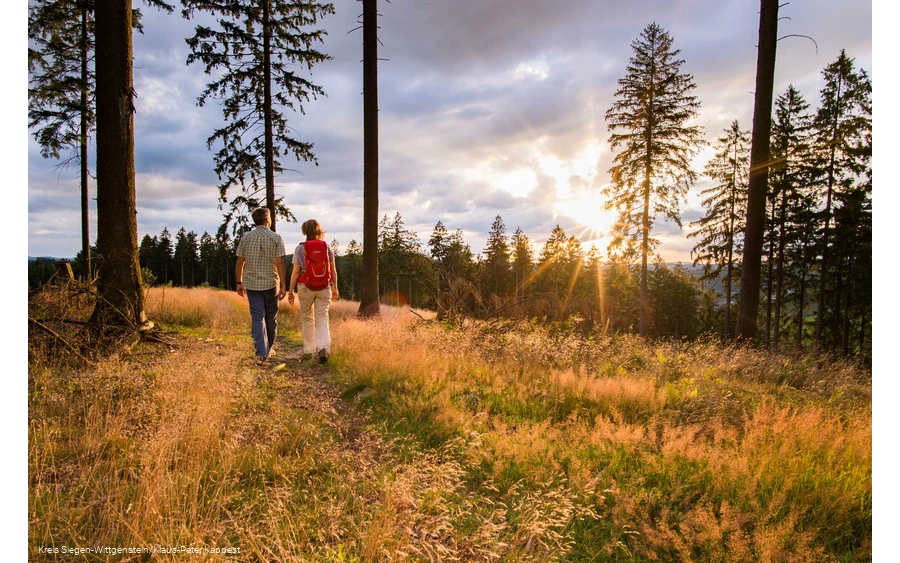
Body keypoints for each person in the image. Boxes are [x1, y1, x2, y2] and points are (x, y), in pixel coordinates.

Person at [235, 207, 287, 362]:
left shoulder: (246, 237)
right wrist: (284, 285)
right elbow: (280, 263)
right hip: (271, 283)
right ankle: (268, 349)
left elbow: (240, 262)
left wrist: (239, 282)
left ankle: (261, 352)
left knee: (258, 317)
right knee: (271, 317)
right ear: (267, 220)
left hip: (251, 284)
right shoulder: (276, 238)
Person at [288, 219, 339, 363]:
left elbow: (295, 272)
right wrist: (335, 287)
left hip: (305, 286)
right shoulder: (326, 247)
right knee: (322, 318)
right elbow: (333, 269)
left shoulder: (300, 248)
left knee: (307, 318)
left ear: (305, 231)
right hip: (324, 286)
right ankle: (323, 348)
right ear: (319, 231)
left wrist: (290, 291)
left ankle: (309, 350)